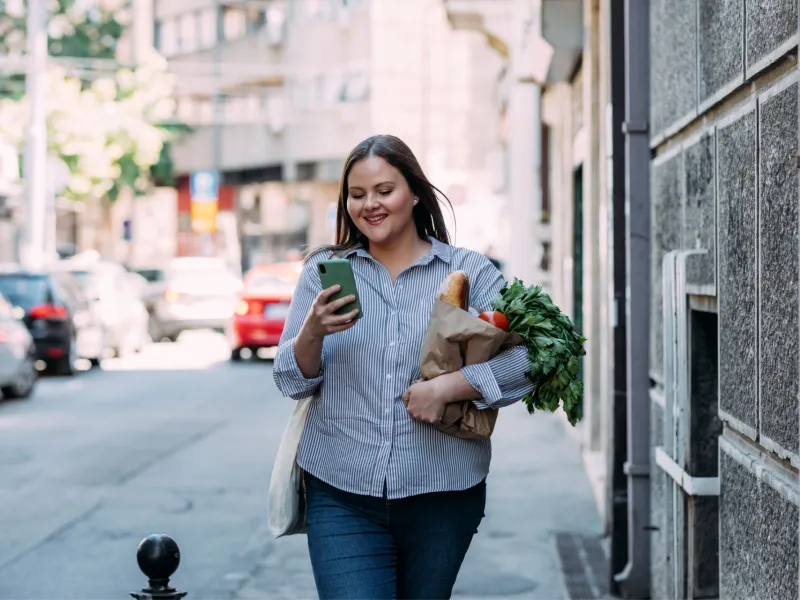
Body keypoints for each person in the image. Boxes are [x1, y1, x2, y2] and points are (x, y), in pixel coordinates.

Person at [272, 134, 535, 600]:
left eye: (384, 190)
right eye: (357, 195)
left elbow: (533, 360)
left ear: (415, 193)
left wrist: (453, 386)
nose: (369, 204)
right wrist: (312, 330)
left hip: (443, 493)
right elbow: (290, 379)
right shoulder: (325, 273)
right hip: (341, 492)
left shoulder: (469, 273)